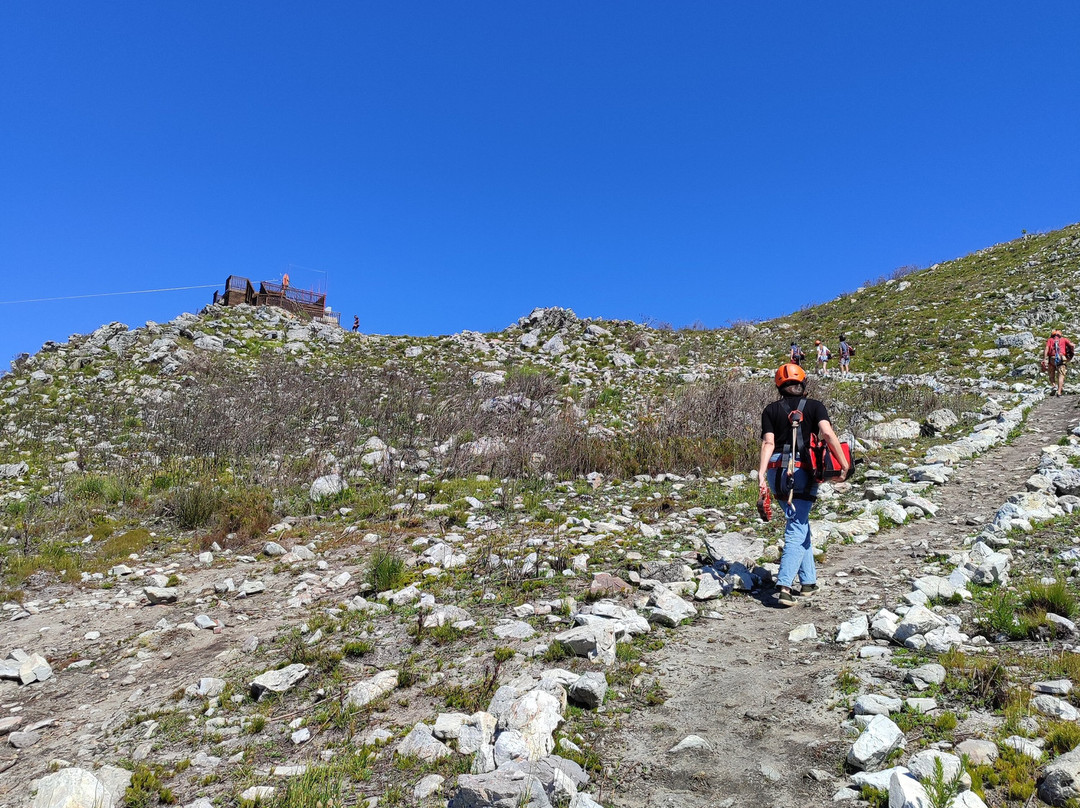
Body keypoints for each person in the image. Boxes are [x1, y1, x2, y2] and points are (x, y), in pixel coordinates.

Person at [757, 363, 851, 607]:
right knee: (797, 526)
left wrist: (761, 474)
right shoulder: (815, 406)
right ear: (803, 383)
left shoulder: (770, 410)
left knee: (800, 522)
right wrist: (843, 464)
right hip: (802, 470)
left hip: (776, 471)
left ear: (779, 386)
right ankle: (785, 586)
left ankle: (808, 581)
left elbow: (768, 443)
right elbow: (827, 434)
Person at [1044, 329, 1075, 397]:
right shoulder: (1064, 339)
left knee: (1051, 375)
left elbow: (1047, 348)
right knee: (1061, 375)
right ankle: (1059, 392)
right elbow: (1072, 345)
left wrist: (1044, 359)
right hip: (1061, 358)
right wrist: (1071, 354)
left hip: (1052, 359)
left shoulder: (1050, 340)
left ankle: (1054, 386)